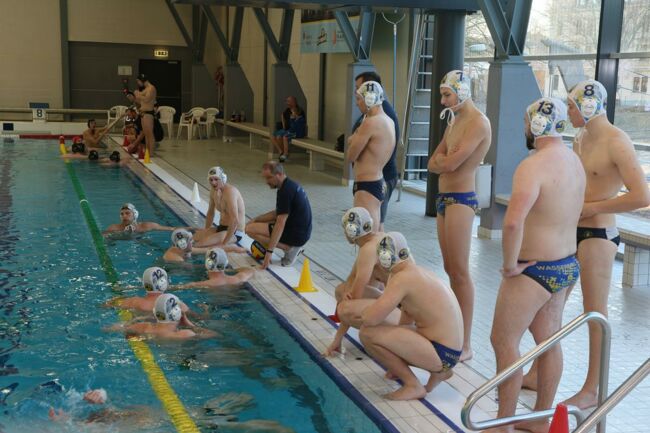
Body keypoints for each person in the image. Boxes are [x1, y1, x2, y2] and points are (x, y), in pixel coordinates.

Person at [520, 81, 650, 409]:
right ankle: (538, 372)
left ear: (591, 105)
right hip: (568, 233)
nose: (569, 111)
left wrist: (595, 208)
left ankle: (593, 388)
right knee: (550, 309)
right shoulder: (581, 136)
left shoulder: (616, 142)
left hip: (597, 237)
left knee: (595, 314)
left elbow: (642, 195)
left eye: (573, 105)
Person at [486, 98, 585, 433]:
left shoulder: (533, 165)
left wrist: (510, 265)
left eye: (527, 121)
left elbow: (513, 223)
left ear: (537, 124)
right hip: (567, 265)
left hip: (534, 270)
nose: (525, 127)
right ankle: (541, 418)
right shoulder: (574, 160)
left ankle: (504, 423)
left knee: (503, 341)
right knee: (548, 342)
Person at [427, 70, 491, 361]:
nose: (443, 101)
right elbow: (432, 163)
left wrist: (444, 162)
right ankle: (454, 333)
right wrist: (443, 162)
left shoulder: (478, 123)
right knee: (450, 269)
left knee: (461, 272)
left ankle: (466, 344)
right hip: (444, 199)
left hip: (462, 200)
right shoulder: (454, 121)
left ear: (462, 91)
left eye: (447, 95)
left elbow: (450, 164)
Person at [359, 232, 464, 400]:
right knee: (391, 331)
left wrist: (365, 312)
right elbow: (406, 318)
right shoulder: (419, 272)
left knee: (367, 333)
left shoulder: (402, 279)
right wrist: (395, 363)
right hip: (449, 352)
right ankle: (440, 373)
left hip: (440, 352)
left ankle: (413, 385)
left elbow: (371, 318)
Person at [323, 207, 390, 357]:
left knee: (347, 309)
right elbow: (351, 282)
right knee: (342, 290)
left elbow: (354, 298)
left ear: (351, 231)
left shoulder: (368, 250)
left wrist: (338, 337)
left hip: (405, 313)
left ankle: (385, 334)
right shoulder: (377, 238)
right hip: (400, 304)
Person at [353, 72, 400, 231]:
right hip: (377, 179)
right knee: (373, 233)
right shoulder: (377, 115)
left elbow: (351, 153)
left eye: (359, 92)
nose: (357, 100)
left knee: (370, 234)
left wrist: (355, 138)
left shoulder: (375, 119)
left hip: (375, 180)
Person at [245, 161, 312, 269]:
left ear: (279, 174)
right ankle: (289, 246)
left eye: (269, 178)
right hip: (302, 231)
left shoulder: (285, 191)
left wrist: (269, 252)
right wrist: (257, 219)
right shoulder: (289, 185)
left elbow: (280, 223)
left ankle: (289, 248)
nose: (267, 182)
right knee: (256, 223)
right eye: (265, 178)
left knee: (249, 229)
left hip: (297, 234)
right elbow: (278, 213)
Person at [114, 294, 217, 340]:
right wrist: (190, 325)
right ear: (178, 313)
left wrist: (137, 319)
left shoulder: (142, 327)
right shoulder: (185, 334)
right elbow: (214, 334)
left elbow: (112, 329)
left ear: (155, 312)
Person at [193, 167, 246, 247]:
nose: (213, 182)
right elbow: (210, 213)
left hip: (234, 232)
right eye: (211, 180)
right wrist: (206, 230)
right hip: (221, 228)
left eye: (216, 179)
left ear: (223, 179)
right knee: (193, 238)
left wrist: (224, 244)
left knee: (199, 245)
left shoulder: (230, 192)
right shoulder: (213, 191)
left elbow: (235, 220)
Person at [173, 247, 255, 290]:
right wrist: (231, 270)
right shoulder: (238, 278)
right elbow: (250, 270)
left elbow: (178, 287)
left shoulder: (204, 284)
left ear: (207, 264)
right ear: (225, 263)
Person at [163, 228, 244, 263]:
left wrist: (233, 249)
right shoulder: (176, 259)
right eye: (190, 241)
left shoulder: (184, 249)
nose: (192, 243)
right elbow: (188, 271)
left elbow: (209, 249)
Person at [270, 96, 306, 162]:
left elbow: (297, 126)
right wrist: (284, 124)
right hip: (288, 130)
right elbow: (283, 116)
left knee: (283, 137)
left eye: (288, 101)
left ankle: (285, 154)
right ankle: (281, 152)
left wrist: (294, 117)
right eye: (287, 101)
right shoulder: (287, 110)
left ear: (294, 102)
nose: (287, 103)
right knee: (274, 136)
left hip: (295, 132)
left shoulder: (299, 111)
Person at [103, 203, 175, 234]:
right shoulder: (114, 228)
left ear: (135, 215)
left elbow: (172, 229)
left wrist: (186, 228)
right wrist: (121, 234)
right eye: (122, 214)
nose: (124, 216)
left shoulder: (146, 226)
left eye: (127, 213)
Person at [134, 73, 157, 157]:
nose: (138, 83)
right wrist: (134, 97)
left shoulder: (151, 88)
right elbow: (140, 101)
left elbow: (147, 99)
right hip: (143, 113)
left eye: (138, 81)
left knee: (150, 134)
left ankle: (151, 153)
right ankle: (147, 152)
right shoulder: (145, 89)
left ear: (142, 80)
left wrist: (138, 94)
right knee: (146, 135)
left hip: (148, 114)